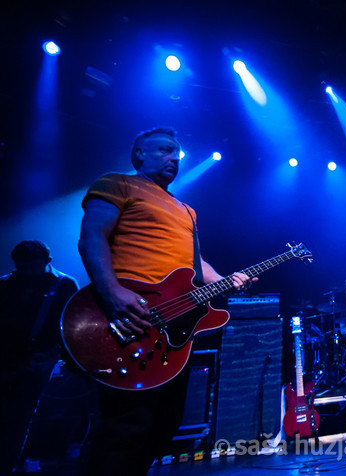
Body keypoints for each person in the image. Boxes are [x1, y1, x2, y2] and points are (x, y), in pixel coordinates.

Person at [75, 127, 254, 475]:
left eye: (177, 153)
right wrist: (111, 292)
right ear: (139, 153)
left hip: (172, 328)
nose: (174, 158)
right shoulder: (116, 183)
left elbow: (196, 266)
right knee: (126, 425)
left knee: (163, 424)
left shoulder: (186, 209)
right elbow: (91, 236)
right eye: (164, 150)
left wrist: (226, 281)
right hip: (129, 317)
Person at [0, 240, 79, 473]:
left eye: (34, 267)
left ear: (48, 262)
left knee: (19, 416)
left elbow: (72, 326)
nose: (28, 273)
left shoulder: (64, 285)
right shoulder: (6, 284)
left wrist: (53, 356)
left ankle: (7, 466)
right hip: (7, 359)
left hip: (39, 361)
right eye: (22, 267)